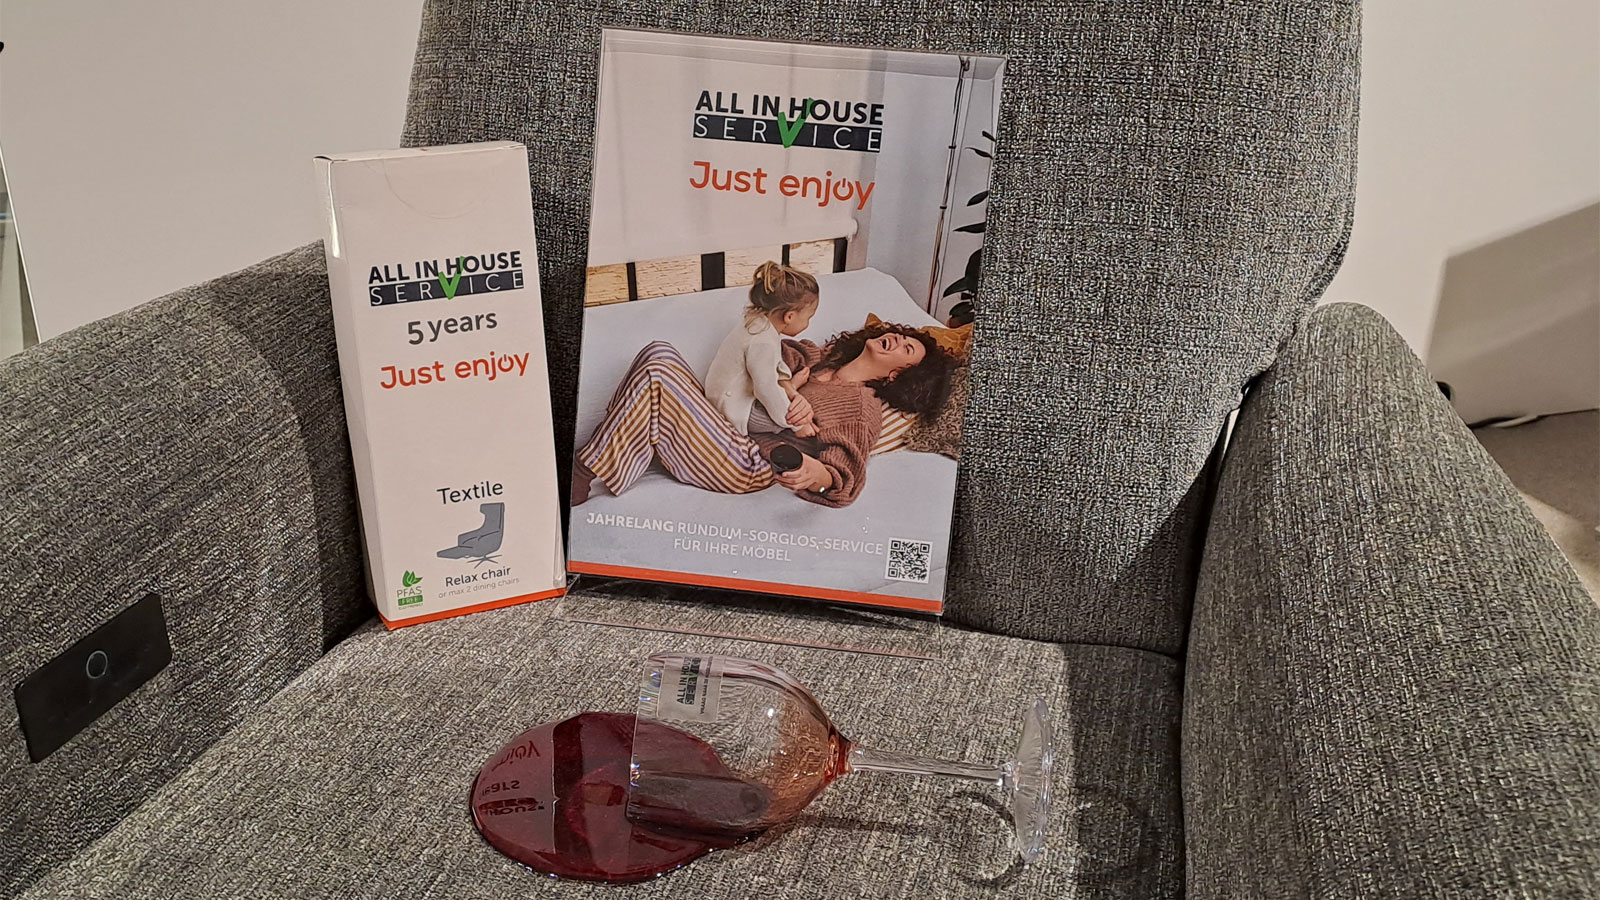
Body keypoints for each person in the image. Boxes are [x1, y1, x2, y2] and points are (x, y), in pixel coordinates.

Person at [572, 322, 954, 509]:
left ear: (896, 375)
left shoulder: (860, 406)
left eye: (906, 349)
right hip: (727, 428)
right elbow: (764, 355)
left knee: (659, 373)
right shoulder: (819, 357)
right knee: (659, 352)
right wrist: (790, 384)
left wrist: (815, 473)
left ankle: (581, 475)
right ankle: (621, 446)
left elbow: (846, 479)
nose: (897, 340)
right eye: (901, 336)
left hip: (747, 463)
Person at [704, 261, 820, 438]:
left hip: (730, 394)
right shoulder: (761, 341)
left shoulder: (760, 323)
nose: (808, 324)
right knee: (781, 421)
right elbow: (766, 389)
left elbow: (775, 364)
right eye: (808, 318)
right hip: (732, 407)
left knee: (787, 405)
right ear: (789, 316)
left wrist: (788, 387)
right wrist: (797, 425)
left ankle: (792, 400)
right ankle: (798, 422)